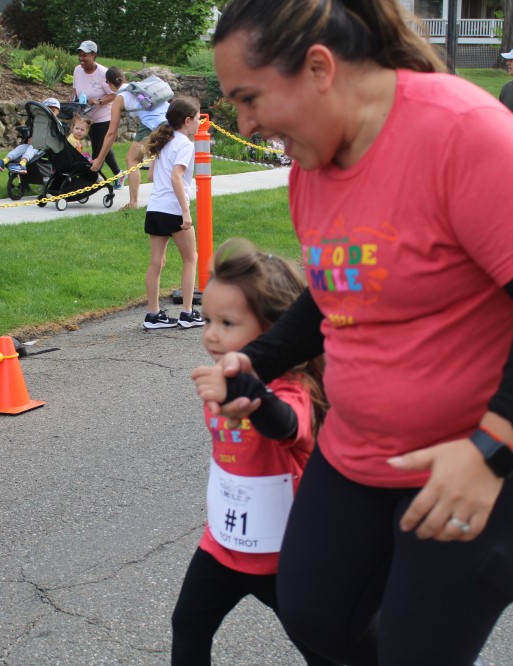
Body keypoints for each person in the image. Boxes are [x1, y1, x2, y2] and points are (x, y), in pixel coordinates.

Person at [206, 1, 513, 664]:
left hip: (486, 455)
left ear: (320, 68)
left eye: (249, 98)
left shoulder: (459, 131)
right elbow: (337, 291)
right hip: (362, 452)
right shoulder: (312, 165)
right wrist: (258, 361)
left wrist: (492, 448)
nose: (244, 124)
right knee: (316, 617)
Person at [174, 238, 328, 665]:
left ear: (276, 327)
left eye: (228, 323)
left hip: (284, 556)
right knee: (188, 628)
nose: (211, 334)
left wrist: (252, 394)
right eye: (207, 319)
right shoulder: (220, 380)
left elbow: (285, 424)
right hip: (223, 543)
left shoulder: (293, 389)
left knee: (322, 648)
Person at [140, 97, 204, 330]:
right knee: (191, 258)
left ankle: (153, 314)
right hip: (174, 209)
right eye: (198, 118)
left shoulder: (164, 141)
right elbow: (176, 177)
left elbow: (151, 176)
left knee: (156, 263)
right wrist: (186, 212)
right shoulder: (185, 144)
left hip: (156, 208)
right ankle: (187, 313)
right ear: (187, 121)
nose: (199, 123)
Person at [91, 67, 171, 211]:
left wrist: (99, 160)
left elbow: (111, 134)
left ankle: (133, 203)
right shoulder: (138, 87)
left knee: (132, 160)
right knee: (164, 160)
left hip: (152, 124)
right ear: (123, 78)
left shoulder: (119, 98)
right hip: (172, 119)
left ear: (109, 83)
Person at [72, 40, 122, 184]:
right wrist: (74, 101)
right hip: (86, 116)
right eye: (80, 55)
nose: (81, 58)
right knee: (101, 148)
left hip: (103, 115)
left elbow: (114, 94)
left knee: (98, 148)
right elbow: (75, 89)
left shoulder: (103, 73)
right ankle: (116, 175)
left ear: (93, 55)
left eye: (84, 56)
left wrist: (99, 101)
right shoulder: (77, 70)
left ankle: (95, 179)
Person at [0, 98, 62, 175]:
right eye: (48, 110)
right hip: (36, 143)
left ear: (58, 112)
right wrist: (32, 138)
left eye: (53, 111)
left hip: (47, 146)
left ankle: (22, 163)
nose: (50, 112)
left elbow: (56, 138)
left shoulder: (57, 124)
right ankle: (4, 161)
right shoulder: (39, 123)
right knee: (21, 147)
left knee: (33, 147)